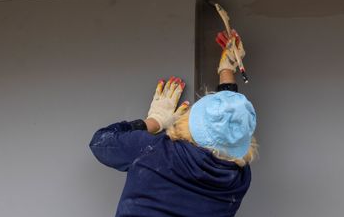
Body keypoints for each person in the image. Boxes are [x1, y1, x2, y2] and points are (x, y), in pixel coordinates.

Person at [89, 30, 257, 217]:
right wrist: (227, 70)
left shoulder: (154, 150)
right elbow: (229, 132)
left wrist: (153, 121)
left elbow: (100, 143)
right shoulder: (237, 180)